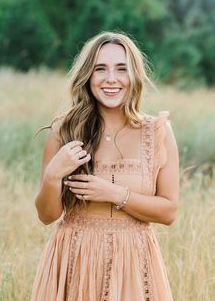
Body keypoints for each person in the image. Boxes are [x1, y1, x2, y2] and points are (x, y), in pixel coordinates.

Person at [30, 31, 180, 301]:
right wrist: (53, 176)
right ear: (88, 76)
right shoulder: (64, 130)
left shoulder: (157, 131)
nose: (111, 79)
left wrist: (114, 194)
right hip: (74, 260)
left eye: (121, 69)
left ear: (134, 75)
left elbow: (168, 211)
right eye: (101, 69)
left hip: (134, 263)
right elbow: (47, 216)